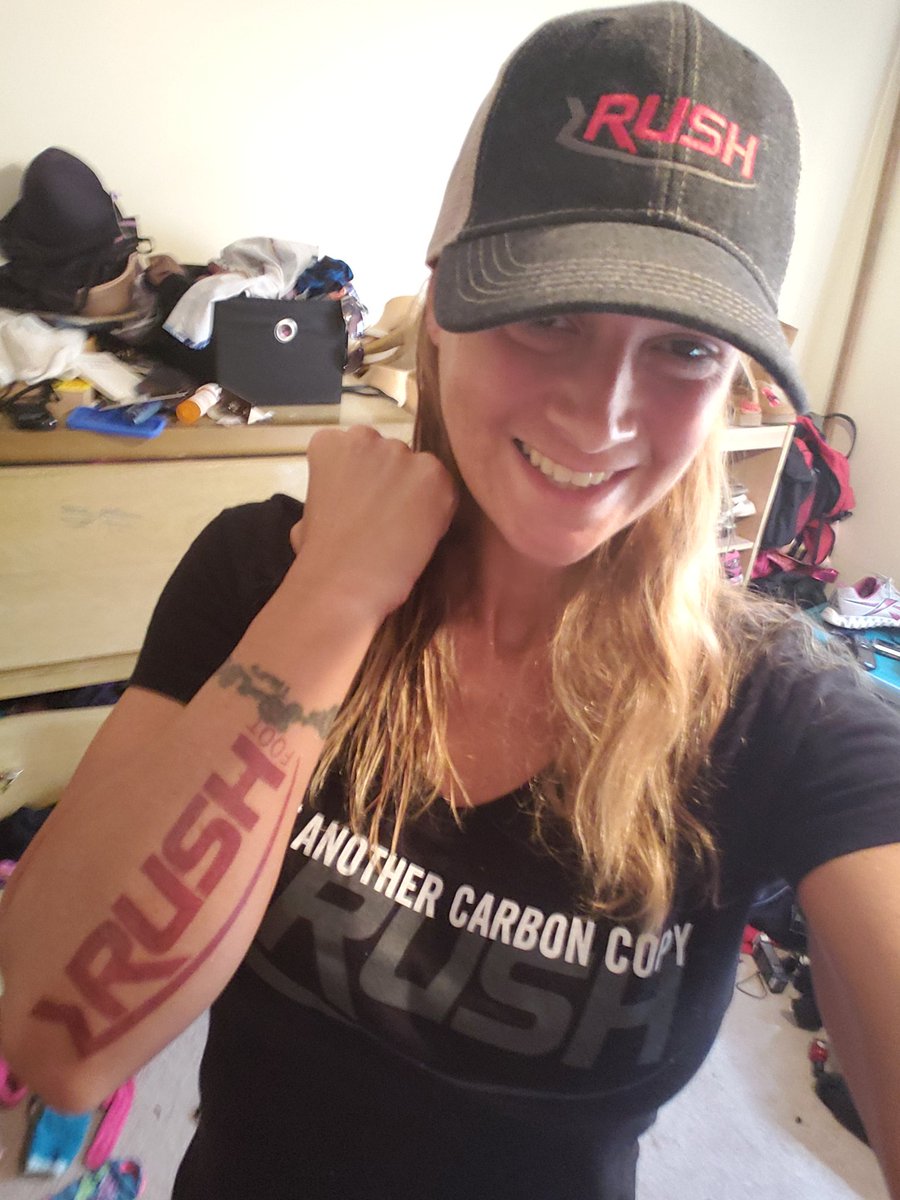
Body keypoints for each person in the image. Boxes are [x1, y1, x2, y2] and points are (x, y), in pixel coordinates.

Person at [1, 4, 898, 1198]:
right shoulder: (260, 576)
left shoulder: (784, 717)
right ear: (443, 306)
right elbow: (57, 1041)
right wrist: (336, 595)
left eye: (685, 349)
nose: (602, 415)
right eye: (551, 315)